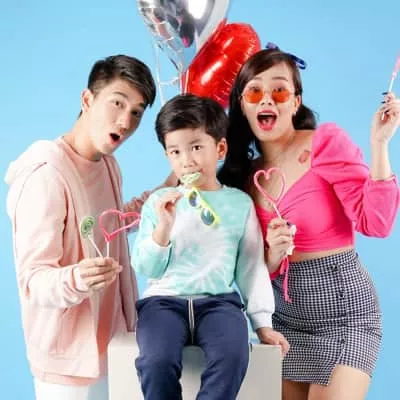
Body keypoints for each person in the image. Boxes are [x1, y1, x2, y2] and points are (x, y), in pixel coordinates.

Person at [217, 46, 400, 400]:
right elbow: (243, 269)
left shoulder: (324, 143)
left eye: (279, 90)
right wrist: (271, 256)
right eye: (254, 91)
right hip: (284, 323)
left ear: (295, 102)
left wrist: (379, 144)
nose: (266, 99)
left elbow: (376, 223)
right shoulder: (242, 178)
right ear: (242, 104)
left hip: (345, 316)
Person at [5, 54, 169, 400]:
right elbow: (33, 280)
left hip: (114, 347)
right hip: (67, 365)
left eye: (137, 112)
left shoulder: (107, 163)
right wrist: (78, 278)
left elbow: (112, 223)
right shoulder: (45, 174)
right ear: (87, 99)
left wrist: (169, 187)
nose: (125, 121)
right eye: (117, 103)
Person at [131, 93, 289, 400]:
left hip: (219, 304)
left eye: (196, 147)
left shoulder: (239, 204)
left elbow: (250, 267)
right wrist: (163, 229)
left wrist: (262, 324)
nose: (186, 160)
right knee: (155, 361)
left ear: (220, 148)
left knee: (233, 356)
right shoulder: (158, 202)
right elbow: (146, 267)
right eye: (175, 152)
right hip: (162, 304)